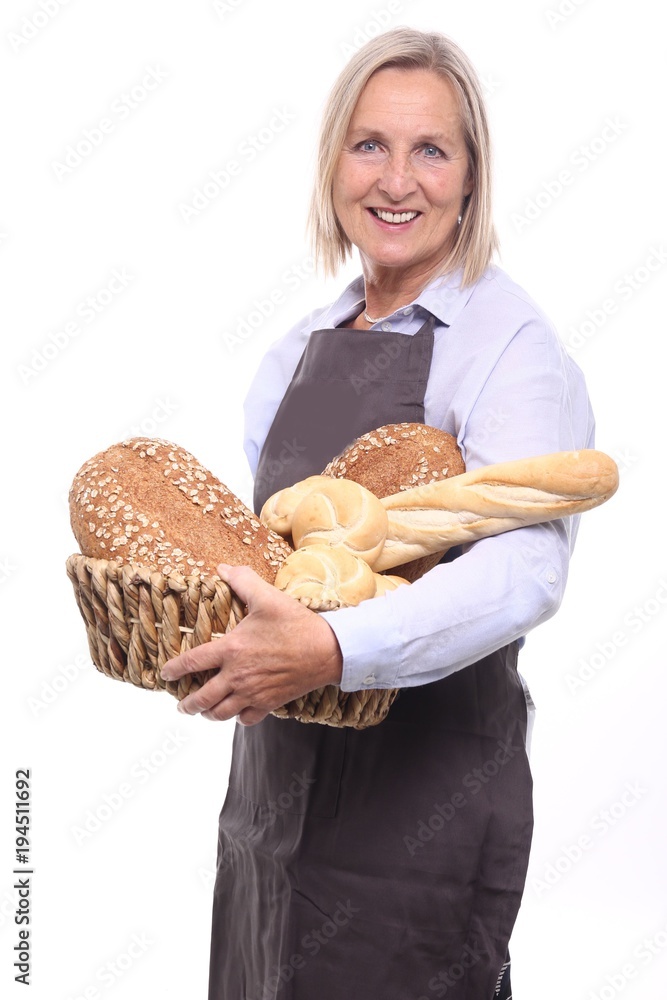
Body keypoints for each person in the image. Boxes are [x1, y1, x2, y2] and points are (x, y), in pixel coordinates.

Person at [161, 26, 594, 999]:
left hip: (423, 822)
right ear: (333, 166)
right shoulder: (294, 352)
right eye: (370, 145)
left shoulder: (506, 343)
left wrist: (331, 648)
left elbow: (524, 571)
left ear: (470, 177)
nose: (397, 181)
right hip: (270, 804)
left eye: (430, 150)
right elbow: (274, 561)